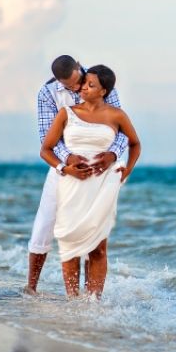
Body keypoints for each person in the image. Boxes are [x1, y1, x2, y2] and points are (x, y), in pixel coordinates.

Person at [24, 55, 128, 295]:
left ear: (80, 68)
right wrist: (68, 160)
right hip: (64, 166)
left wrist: (113, 154)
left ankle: (92, 301)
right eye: (69, 87)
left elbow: (122, 129)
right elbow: (46, 137)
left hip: (101, 168)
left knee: (94, 229)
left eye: (78, 82)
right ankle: (31, 288)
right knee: (45, 222)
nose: (77, 89)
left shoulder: (101, 82)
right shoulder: (47, 94)